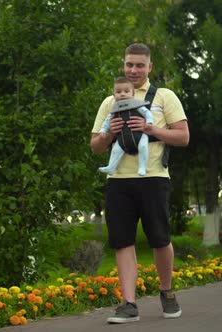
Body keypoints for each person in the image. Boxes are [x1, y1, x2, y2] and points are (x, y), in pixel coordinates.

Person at [90, 43, 189, 324]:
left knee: (160, 239)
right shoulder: (111, 101)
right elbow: (95, 146)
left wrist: (152, 129)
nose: (134, 70)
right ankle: (129, 304)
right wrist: (110, 135)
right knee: (123, 242)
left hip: (153, 177)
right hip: (118, 181)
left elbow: (183, 137)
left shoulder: (164, 97)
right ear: (123, 65)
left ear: (150, 67)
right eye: (129, 65)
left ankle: (167, 292)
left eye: (139, 65)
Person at [98, 77, 154, 176]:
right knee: (116, 150)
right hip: (123, 137)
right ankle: (111, 167)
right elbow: (107, 120)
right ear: (114, 94)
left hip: (140, 135)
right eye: (118, 92)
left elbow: (147, 113)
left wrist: (149, 122)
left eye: (126, 91)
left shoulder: (137, 105)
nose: (122, 94)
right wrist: (103, 130)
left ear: (133, 94)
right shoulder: (115, 108)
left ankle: (142, 167)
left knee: (144, 146)